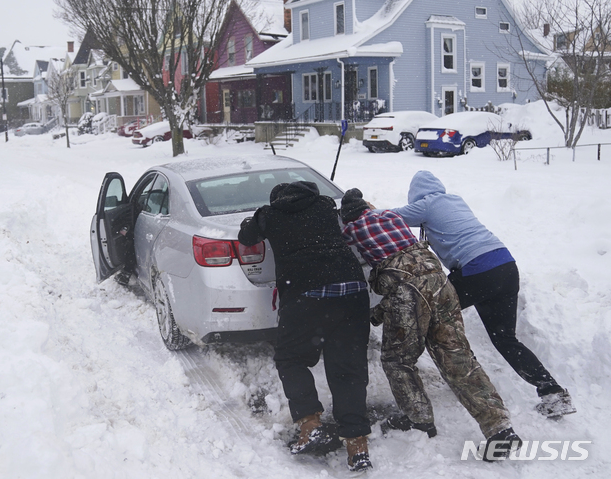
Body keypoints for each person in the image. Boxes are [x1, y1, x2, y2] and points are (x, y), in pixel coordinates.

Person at [340, 188, 521, 460]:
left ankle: (419, 420)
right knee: (458, 356)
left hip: (408, 292)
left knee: (397, 360)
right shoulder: (391, 217)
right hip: (442, 285)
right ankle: (501, 429)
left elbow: (401, 284)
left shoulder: (352, 229)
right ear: (368, 206)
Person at [391, 170, 575, 419]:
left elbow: (391, 218)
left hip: (476, 269)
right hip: (505, 266)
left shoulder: (427, 204)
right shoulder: (455, 200)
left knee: (432, 313)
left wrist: (364, 209)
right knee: (505, 339)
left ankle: (467, 375)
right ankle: (552, 391)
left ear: (416, 195)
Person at [238, 181, 372, 472]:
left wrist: (253, 220)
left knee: (291, 359)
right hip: (352, 290)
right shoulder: (325, 206)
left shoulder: (269, 214)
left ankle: (310, 425)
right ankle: (357, 445)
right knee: (348, 369)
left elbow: (246, 237)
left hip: (307, 293)